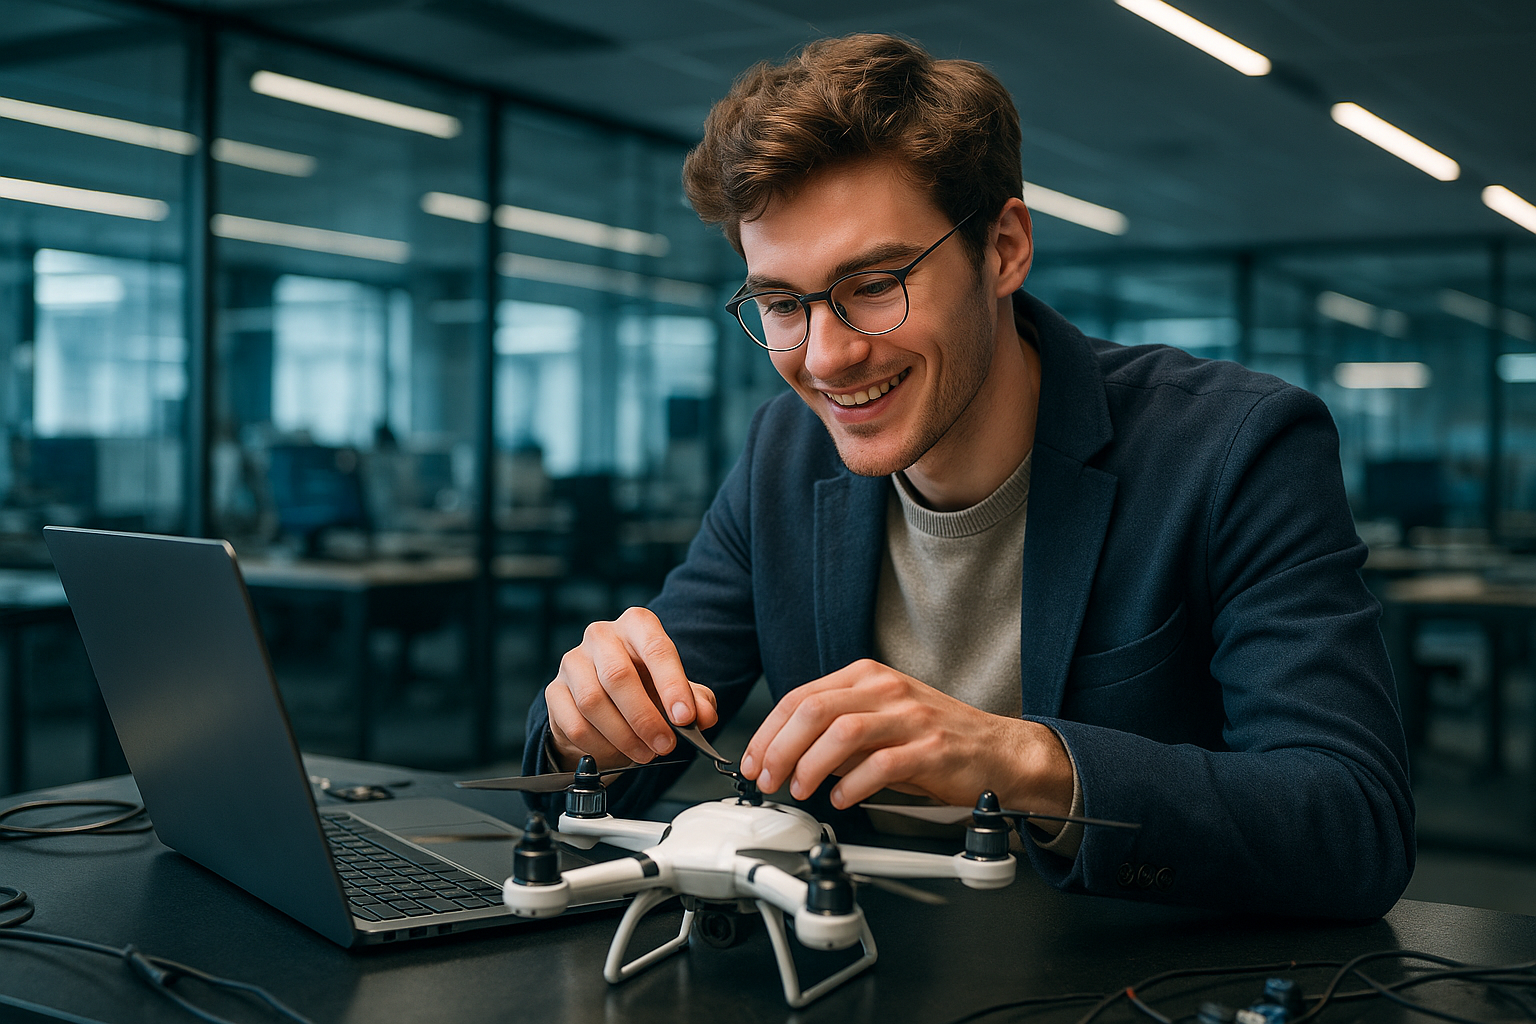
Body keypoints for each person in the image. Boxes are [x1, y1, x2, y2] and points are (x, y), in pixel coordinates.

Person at [522, 33, 1414, 918]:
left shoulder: (1231, 447)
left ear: (1004, 249)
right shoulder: (781, 459)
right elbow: (587, 796)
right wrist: (583, 731)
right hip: (856, 967)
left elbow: (1352, 823)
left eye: (873, 284)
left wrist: (1020, 760)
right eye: (782, 304)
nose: (825, 358)